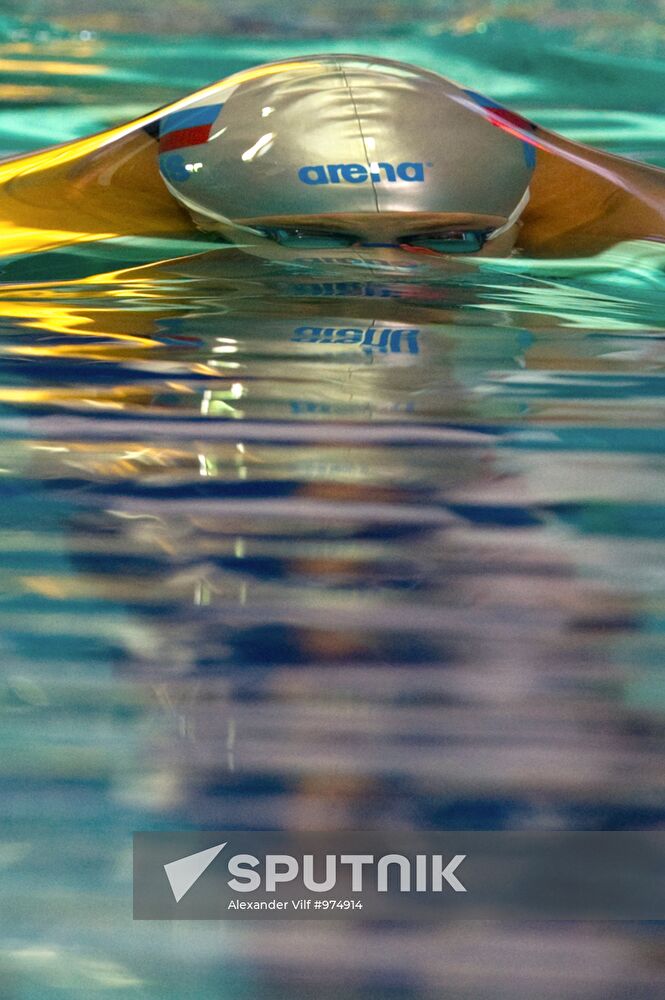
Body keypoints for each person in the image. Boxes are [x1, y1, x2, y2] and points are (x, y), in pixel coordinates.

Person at [0, 53, 663, 263]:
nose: (386, 276)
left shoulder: (603, 211)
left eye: (447, 239)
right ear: (199, 216)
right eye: (313, 236)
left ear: (519, 211)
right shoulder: (62, 210)